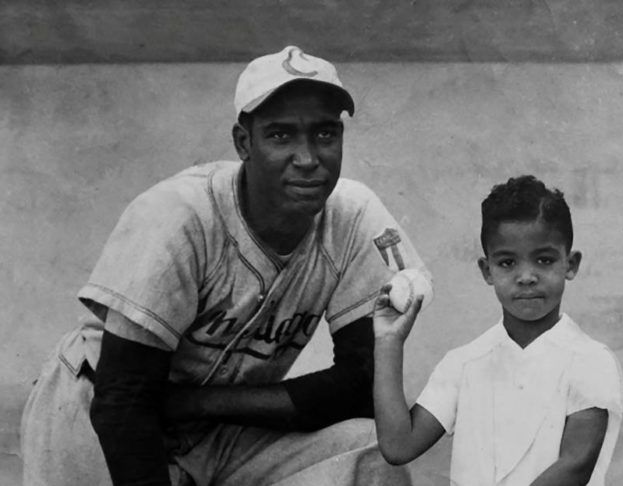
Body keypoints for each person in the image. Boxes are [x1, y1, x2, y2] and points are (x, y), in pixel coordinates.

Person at [21, 45, 426, 486]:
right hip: (96, 408)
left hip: (214, 429)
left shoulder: (354, 215)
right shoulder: (178, 214)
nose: (308, 157)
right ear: (243, 143)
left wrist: (200, 404)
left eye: (325, 134)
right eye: (280, 135)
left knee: (375, 454)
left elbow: (363, 385)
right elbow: (123, 399)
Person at [372, 175, 623, 485]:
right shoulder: (463, 363)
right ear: (486, 270)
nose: (526, 276)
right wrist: (388, 342)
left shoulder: (590, 360)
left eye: (544, 260)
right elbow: (399, 446)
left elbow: (575, 464)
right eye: (507, 263)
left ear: (570, 265)